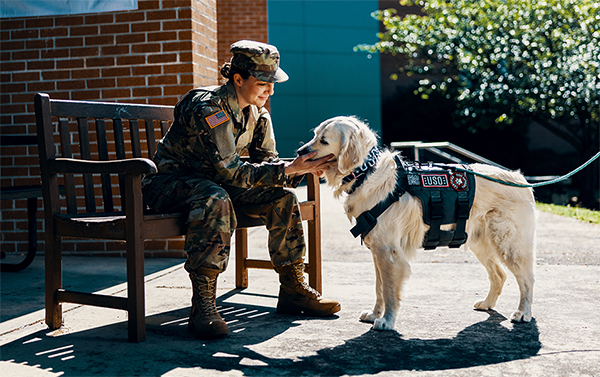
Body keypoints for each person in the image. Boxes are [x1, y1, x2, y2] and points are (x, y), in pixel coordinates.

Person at [142, 40, 341, 339]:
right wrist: (289, 169)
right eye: (263, 83)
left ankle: (293, 289)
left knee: (282, 198)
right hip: (168, 185)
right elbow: (230, 170)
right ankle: (203, 305)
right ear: (238, 78)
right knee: (214, 197)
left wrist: (303, 167)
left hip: (216, 186)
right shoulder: (208, 106)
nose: (270, 91)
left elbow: (268, 166)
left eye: (273, 84)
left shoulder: (258, 114)